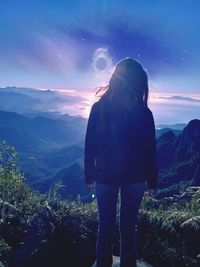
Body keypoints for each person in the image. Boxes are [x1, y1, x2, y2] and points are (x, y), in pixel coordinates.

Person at [84, 57, 158, 267]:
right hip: (135, 178)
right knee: (128, 228)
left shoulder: (99, 108)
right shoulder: (144, 113)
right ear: (139, 82)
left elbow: (91, 143)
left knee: (105, 225)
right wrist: (152, 181)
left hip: (105, 175)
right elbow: (149, 150)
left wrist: (89, 174)